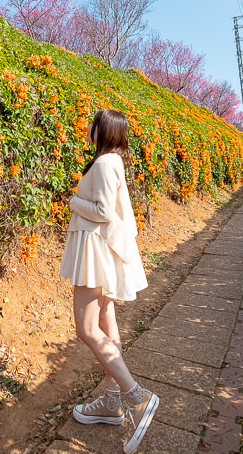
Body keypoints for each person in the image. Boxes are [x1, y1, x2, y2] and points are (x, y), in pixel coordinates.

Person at [59, 109, 158, 453]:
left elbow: (102, 211)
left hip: (92, 249)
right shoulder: (113, 161)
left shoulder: (103, 164)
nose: (88, 127)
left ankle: (137, 397)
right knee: (105, 320)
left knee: (87, 329)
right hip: (100, 249)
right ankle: (111, 403)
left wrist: (73, 201)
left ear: (104, 129)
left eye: (93, 122)